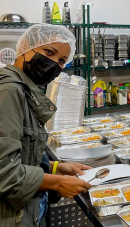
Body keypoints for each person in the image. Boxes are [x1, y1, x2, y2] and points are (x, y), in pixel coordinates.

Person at [0, 24, 92, 227]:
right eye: (49, 52)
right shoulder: (9, 90)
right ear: (25, 46)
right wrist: (57, 182)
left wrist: (56, 167)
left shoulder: (25, 89)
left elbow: (20, 153)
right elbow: (4, 173)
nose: (53, 64)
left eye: (61, 61)